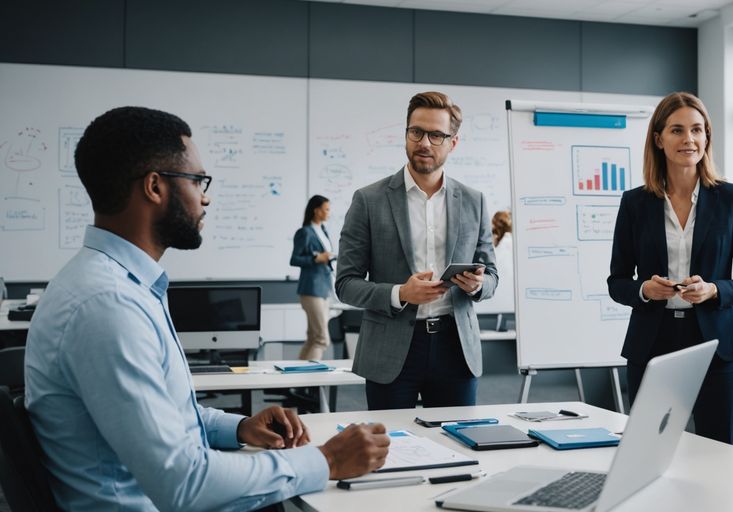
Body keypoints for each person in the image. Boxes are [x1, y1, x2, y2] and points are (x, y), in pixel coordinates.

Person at [24, 106, 390, 510]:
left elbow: (168, 415)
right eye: (198, 180)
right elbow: (185, 484)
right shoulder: (107, 306)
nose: (207, 196)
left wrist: (241, 428)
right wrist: (328, 459)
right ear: (154, 187)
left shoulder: (116, 285)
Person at [607, 92, 733, 444]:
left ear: (707, 137)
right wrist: (644, 290)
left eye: (697, 130)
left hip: (715, 345)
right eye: (677, 130)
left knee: (717, 452)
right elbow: (617, 281)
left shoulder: (732, 198)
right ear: (658, 139)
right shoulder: (635, 203)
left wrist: (713, 289)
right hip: (652, 344)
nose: (688, 139)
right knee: (649, 449)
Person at [335, 91, 498, 411]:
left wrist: (479, 285)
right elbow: (345, 283)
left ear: (453, 142)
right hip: (390, 351)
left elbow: (491, 274)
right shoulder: (369, 200)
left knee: (460, 450)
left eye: (436, 135)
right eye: (416, 132)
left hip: (456, 349)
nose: (424, 142)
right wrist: (400, 293)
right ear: (406, 134)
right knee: (391, 453)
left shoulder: (473, 201)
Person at [291, 194, 336, 360]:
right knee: (322, 339)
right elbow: (294, 259)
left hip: (323, 289)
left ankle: (299, 380)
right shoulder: (305, 232)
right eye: (327, 209)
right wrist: (317, 258)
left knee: (312, 338)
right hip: (311, 289)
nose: (329, 213)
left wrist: (329, 257)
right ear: (317, 211)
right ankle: (312, 379)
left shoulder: (323, 230)